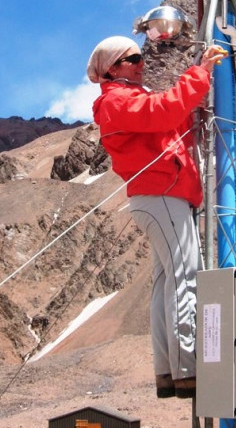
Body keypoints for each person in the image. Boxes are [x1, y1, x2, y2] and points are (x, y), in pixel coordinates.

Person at [87, 35, 225, 399]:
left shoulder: (126, 100)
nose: (141, 62)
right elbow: (164, 110)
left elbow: (169, 122)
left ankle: (169, 371)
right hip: (162, 193)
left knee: (167, 281)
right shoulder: (117, 100)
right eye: (132, 58)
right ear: (112, 68)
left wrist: (194, 99)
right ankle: (187, 369)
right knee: (185, 277)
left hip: (161, 195)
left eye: (140, 56)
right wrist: (201, 72)